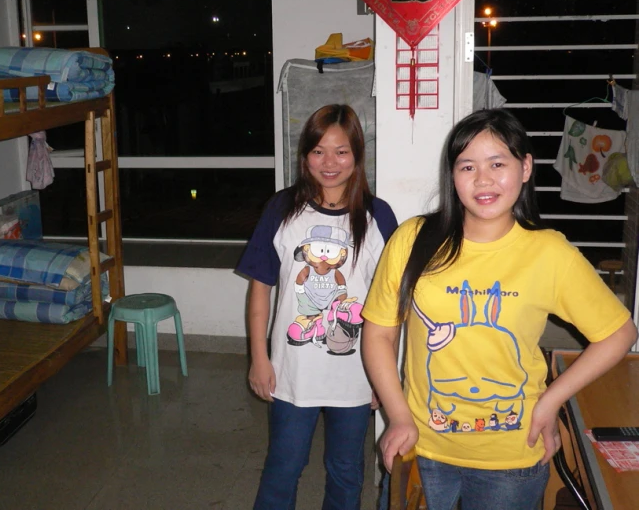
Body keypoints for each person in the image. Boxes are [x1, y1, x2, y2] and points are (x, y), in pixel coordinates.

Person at [361, 109, 638, 510]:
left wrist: (551, 400)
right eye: (467, 166)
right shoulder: (413, 239)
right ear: (452, 175)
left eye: (498, 163)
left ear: (525, 167)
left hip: (512, 454)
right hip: (423, 445)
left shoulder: (549, 253)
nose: (483, 180)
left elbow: (619, 333)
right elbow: (380, 332)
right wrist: (398, 415)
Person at [237, 104, 398, 510]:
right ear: (304, 155)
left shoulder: (378, 216)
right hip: (293, 371)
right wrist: (259, 358)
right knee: (283, 467)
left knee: (346, 470)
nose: (330, 163)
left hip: (357, 373)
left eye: (341, 151)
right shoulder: (282, 209)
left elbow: (391, 305)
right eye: (318, 151)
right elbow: (261, 289)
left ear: (357, 154)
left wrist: (386, 377)